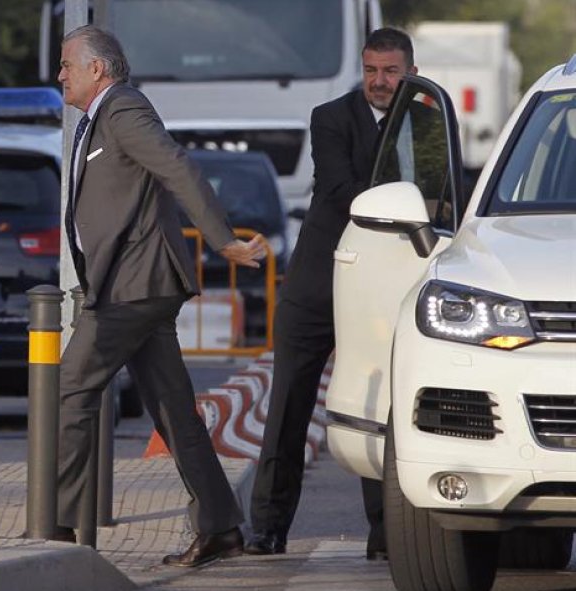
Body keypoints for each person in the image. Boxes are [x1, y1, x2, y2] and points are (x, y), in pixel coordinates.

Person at [52, 25, 266, 568]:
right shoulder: (98, 118)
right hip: (135, 284)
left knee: (70, 388)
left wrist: (224, 242)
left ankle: (59, 532)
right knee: (173, 409)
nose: (60, 76)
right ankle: (220, 527)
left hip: (134, 285)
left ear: (96, 69)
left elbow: (178, 167)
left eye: (66, 65)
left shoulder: (122, 110)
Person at [245, 28, 417, 562]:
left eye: (390, 71)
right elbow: (343, 190)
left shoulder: (426, 120)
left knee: (380, 407)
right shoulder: (331, 117)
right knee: (289, 404)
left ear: (409, 70)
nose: (379, 81)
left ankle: (386, 533)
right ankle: (268, 529)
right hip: (320, 278)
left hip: (386, 282)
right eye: (371, 70)